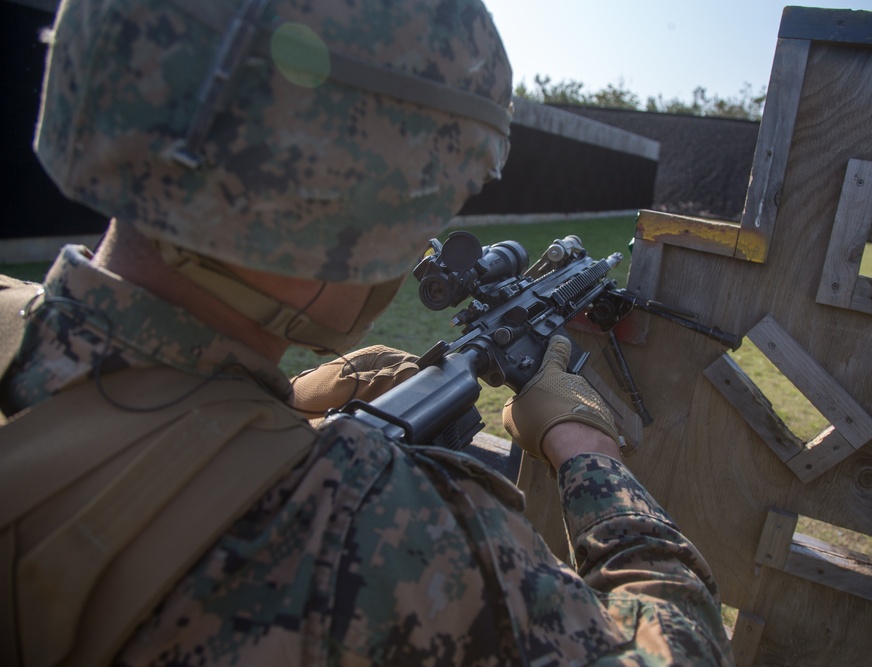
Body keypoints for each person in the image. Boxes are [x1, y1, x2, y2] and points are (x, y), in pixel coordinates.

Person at [0, 0, 734, 664]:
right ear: (340, 208)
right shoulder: (384, 532)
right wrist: (584, 446)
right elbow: (684, 650)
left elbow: (118, 431)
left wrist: (280, 404)